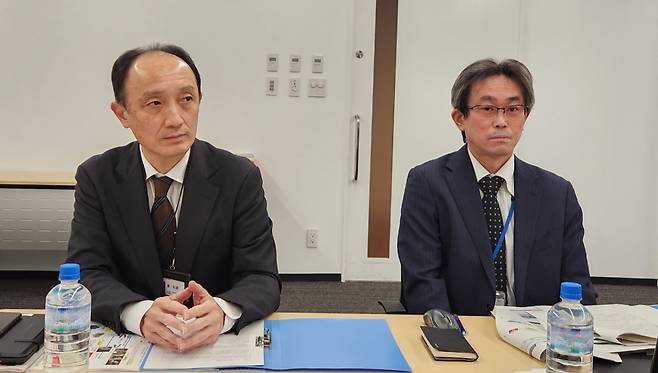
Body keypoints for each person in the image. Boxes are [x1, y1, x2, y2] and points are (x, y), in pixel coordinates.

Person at [66, 44, 280, 352]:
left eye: (187, 99)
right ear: (122, 113)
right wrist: (137, 313)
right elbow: (86, 271)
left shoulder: (238, 176)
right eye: (155, 103)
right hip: (135, 343)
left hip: (213, 346)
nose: (176, 119)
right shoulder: (98, 176)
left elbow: (262, 277)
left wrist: (222, 311)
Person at [397, 58, 596, 315]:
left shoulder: (557, 193)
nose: (502, 121)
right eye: (488, 109)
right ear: (460, 118)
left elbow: (578, 286)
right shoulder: (427, 183)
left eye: (513, 109)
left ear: (525, 117)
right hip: (460, 335)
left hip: (535, 339)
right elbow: (423, 285)